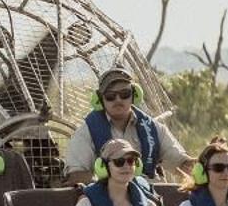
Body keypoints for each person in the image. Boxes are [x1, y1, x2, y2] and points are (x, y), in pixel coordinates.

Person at [62, 66, 194, 185]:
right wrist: (114, 180)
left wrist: (209, 162)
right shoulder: (87, 132)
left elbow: (182, 164)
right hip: (108, 200)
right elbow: (75, 175)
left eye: (124, 94)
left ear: (135, 95)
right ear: (99, 100)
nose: (118, 100)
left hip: (153, 195)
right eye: (110, 96)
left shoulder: (154, 129)